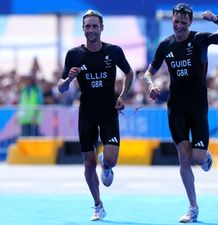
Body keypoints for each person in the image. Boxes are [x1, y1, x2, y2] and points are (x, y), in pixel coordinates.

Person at [143, 3, 218, 223]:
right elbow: (149, 72)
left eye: (184, 22)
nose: (179, 26)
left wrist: (217, 20)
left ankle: (205, 156)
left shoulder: (199, 39)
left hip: (198, 107)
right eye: (176, 21)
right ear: (172, 21)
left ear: (190, 23)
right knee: (184, 158)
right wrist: (151, 86)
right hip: (176, 108)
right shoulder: (165, 45)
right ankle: (193, 207)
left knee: (197, 158)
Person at [58, 10, 133, 221]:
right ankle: (98, 205)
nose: (91, 30)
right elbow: (61, 88)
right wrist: (68, 80)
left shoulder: (113, 52)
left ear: (101, 28)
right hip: (87, 115)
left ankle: (106, 163)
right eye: (87, 26)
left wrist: (122, 96)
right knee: (88, 164)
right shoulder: (74, 55)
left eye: (94, 26)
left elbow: (129, 73)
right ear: (83, 29)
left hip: (109, 113)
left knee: (111, 161)